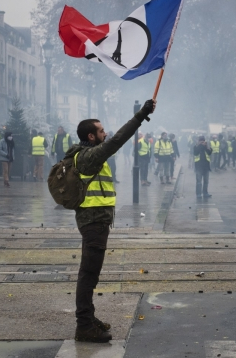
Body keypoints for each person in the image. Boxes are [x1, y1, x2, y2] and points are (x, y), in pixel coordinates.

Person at [69, 100, 155, 343]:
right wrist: (141, 115)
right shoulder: (89, 157)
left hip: (95, 221)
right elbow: (118, 140)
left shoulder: (86, 154)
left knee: (91, 273)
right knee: (88, 273)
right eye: (101, 130)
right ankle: (84, 325)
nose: (105, 133)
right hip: (93, 222)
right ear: (91, 136)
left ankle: (88, 318)